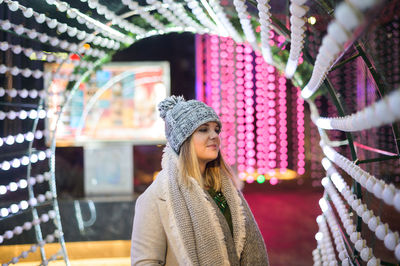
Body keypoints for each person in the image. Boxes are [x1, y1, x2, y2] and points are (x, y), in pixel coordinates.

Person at [131, 95, 269, 265]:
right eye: (203, 129)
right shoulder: (156, 199)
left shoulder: (224, 190)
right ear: (184, 140)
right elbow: (145, 262)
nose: (214, 136)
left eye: (216, 129)